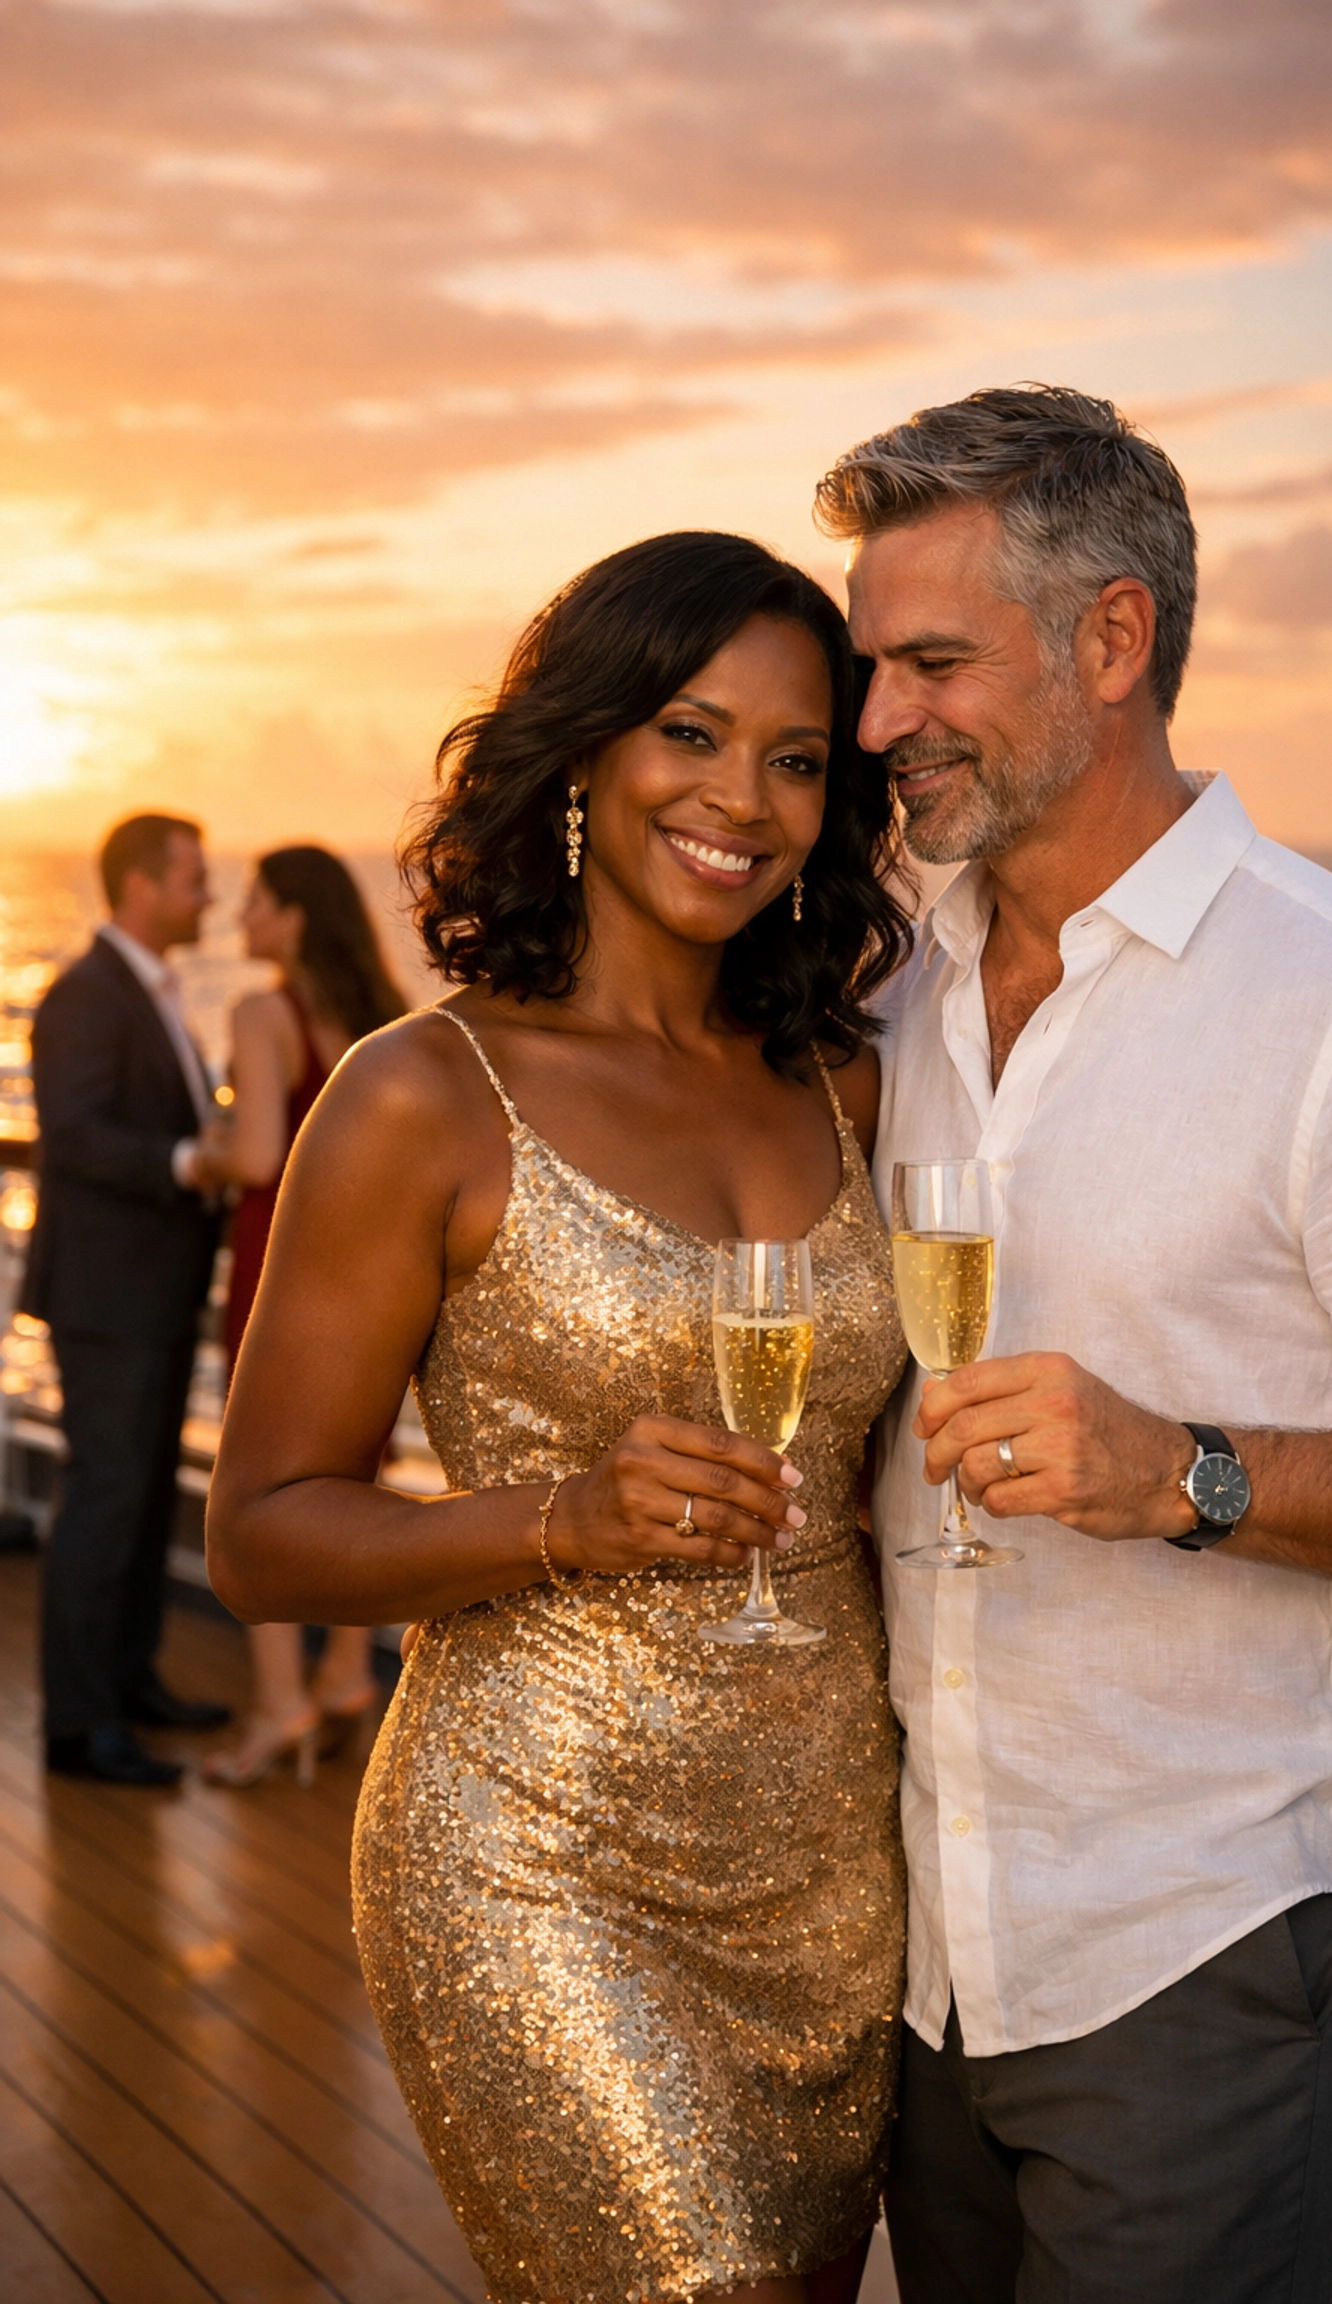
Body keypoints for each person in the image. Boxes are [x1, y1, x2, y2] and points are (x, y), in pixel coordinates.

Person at [813, 386, 1332, 2304]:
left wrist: (1187, 1472)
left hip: (1206, 1936)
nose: (878, 718)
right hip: (934, 1941)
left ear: (1111, 639)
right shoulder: (890, 977)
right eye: (873, 664)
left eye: (934, 660)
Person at [205, 532, 914, 2304]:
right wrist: (559, 1516)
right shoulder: (421, 1093)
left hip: (839, 1853)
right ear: (589, 751)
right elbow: (264, 1529)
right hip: (537, 1851)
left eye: (798, 755)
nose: (740, 797)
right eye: (691, 730)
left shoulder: (852, 1076)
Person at [25, 813, 231, 1786]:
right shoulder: (85, 995)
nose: (208, 899)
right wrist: (191, 1160)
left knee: (143, 1496)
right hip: (106, 1296)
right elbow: (71, 1138)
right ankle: (79, 1723)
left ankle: (130, 1679)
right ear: (143, 887)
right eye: (195, 880)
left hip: (148, 1291)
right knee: (105, 1501)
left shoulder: (148, 991)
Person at [196, 846, 407, 1788]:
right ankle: (348, 1675)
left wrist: (201, 1153)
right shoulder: (377, 1018)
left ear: (293, 918)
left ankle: (282, 1706)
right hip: (374, 1277)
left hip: (282, 1267)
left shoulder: (261, 1012)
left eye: (257, 903)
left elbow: (256, 1158)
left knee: (268, 1488)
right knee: (353, 1474)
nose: (242, 920)